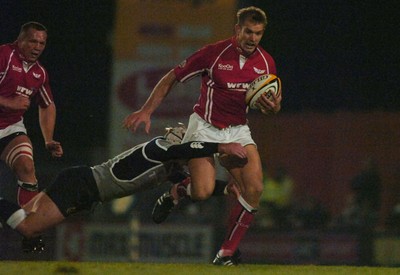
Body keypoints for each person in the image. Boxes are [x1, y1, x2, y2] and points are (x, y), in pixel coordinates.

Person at [123, 6, 281, 265]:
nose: (253, 39)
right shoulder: (213, 54)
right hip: (205, 128)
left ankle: (226, 253)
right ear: (237, 30)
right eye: (248, 32)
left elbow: (273, 102)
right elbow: (172, 77)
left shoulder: (266, 63)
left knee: (254, 189)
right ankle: (179, 190)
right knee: (203, 191)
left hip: (238, 129)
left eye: (259, 34)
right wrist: (146, 110)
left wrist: (274, 107)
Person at [0, 125, 247, 252]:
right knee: (28, 227)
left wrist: (229, 189)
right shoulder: (159, 147)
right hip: (81, 186)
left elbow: (201, 186)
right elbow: (182, 151)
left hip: (82, 185)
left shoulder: (170, 165)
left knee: (24, 222)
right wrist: (220, 147)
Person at [0, 22, 63, 207]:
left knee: (27, 167)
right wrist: (7, 102)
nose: (37, 47)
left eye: (41, 43)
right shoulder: (4, 55)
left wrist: (48, 139)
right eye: (32, 41)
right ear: (19, 41)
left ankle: (30, 229)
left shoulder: (40, 73)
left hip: (9, 128)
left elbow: (47, 105)